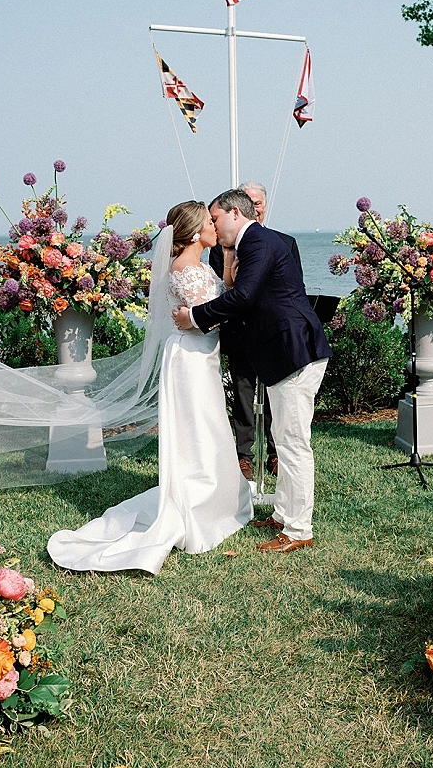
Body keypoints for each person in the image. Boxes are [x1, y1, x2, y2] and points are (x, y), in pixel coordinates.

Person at [47, 201, 253, 575]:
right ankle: (195, 502)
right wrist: (219, 307)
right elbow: (211, 317)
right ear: (193, 233)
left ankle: (218, 495)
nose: (215, 224)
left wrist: (224, 270)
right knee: (197, 428)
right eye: (210, 221)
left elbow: (213, 305)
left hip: (202, 356)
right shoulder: (182, 271)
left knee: (211, 427)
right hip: (189, 360)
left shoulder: (201, 266)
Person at [173, 189, 331, 554]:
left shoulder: (258, 242)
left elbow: (242, 298)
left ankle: (298, 530)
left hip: (294, 351)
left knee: (293, 444)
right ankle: (282, 515)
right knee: (286, 436)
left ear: (233, 213)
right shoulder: (250, 244)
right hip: (283, 352)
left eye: (214, 218)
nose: (212, 225)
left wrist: (193, 317)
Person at [209, 181, 303, 482]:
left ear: (263, 206)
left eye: (258, 202)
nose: (254, 207)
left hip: (272, 336)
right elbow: (224, 293)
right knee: (242, 396)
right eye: (248, 200)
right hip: (240, 335)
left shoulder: (283, 243)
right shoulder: (222, 247)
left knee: (278, 397)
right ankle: (243, 456)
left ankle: (275, 453)